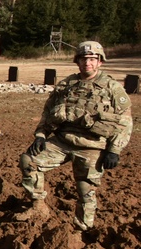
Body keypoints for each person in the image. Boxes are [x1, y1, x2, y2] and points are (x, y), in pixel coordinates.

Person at [17, 41, 132, 229]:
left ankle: (83, 228)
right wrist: (41, 135)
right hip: (62, 141)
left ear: (100, 62)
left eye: (92, 59)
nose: (88, 63)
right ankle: (38, 206)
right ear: (77, 61)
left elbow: (125, 122)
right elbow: (48, 111)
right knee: (29, 161)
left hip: (92, 145)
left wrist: (114, 150)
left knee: (85, 189)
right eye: (83, 59)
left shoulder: (112, 88)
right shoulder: (67, 84)